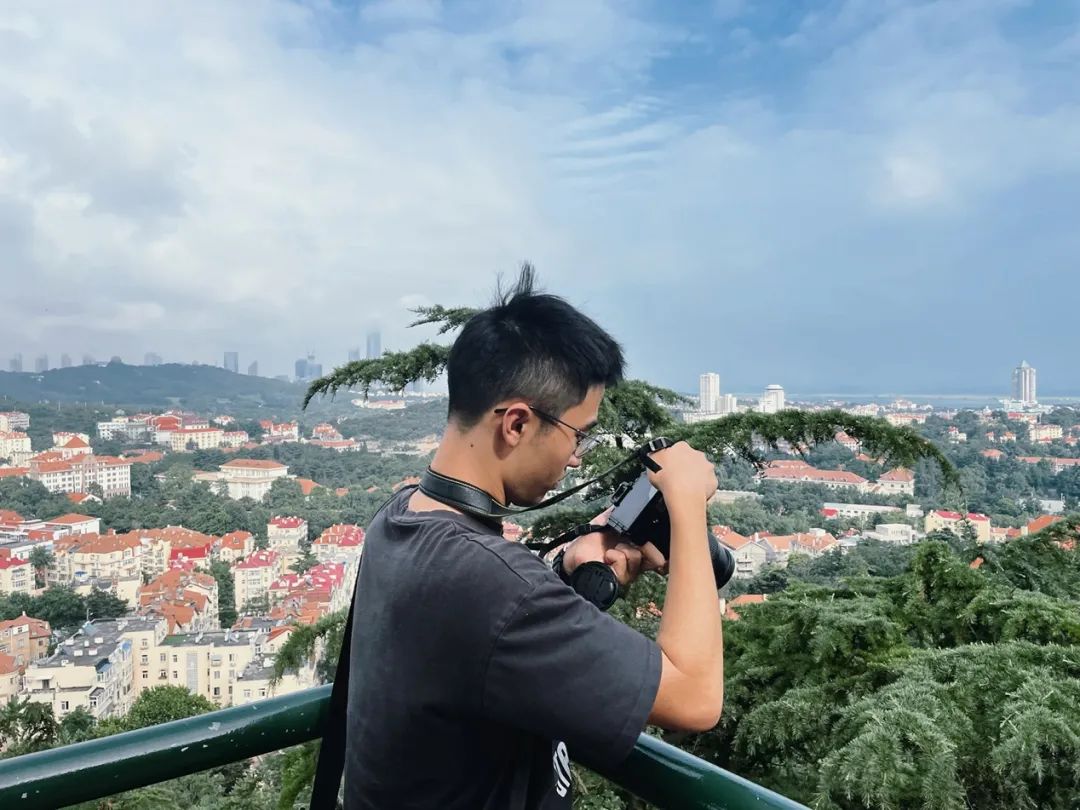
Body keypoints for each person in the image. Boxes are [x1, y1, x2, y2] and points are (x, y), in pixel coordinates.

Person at [342, 268, 724, 809]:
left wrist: (564, 576)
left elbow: (481, 639)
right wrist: (686, 506)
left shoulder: (402, 514)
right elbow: (697, 699)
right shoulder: (492, 585)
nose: (577, 458)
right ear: (517, 424)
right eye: (578, 435)